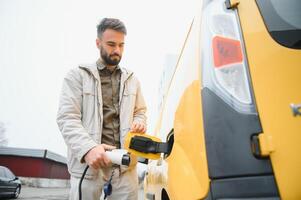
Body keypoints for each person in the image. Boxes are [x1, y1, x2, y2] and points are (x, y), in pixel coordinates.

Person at [57, 18, 147, 200]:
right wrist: (88, 149)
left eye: (121, 45)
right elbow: (67, 118)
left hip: (125, 167)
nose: (117, 50)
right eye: (111, 44)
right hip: (89, 167)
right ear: (98, 43)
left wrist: (139, 122)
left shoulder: (133, 80)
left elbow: (141, 111)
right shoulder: (77, 76)